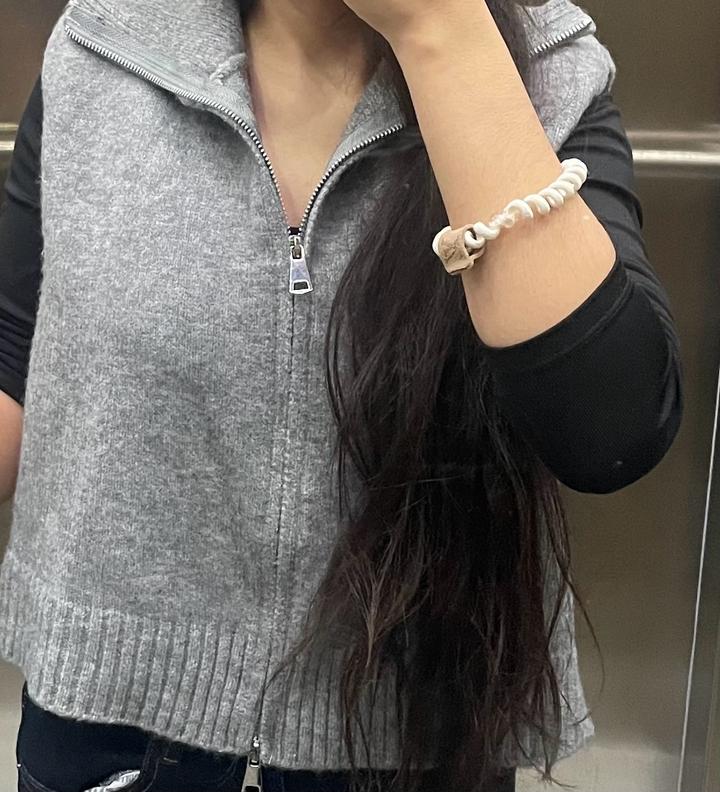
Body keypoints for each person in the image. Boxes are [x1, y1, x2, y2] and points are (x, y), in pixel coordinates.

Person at [0, 0, 684, 790]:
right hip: (107, 736)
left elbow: (610, 433)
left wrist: (441, 32)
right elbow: (18, 361)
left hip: (409, 744)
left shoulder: (543, 73)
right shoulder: (108, 42)